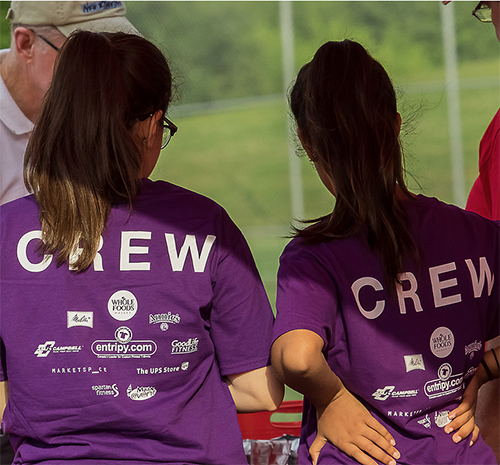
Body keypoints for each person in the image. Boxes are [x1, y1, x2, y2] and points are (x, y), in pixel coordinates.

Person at [0, 31, 283, 464]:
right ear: (150, 125)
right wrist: (163, 403)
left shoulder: (6, 232)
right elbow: (260, 387)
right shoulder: (202, 225)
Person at [270, 39, 500, 465]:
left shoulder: (314, 258)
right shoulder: (479, 236)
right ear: (394, 125)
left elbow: (298, 359)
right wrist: (484, 369)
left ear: (306, 140)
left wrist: (333, 399)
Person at [0, 1, 138, 206]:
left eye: (114, 52)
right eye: (82, 54)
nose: (106, 68)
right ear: (25, 44)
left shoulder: (100, 109)